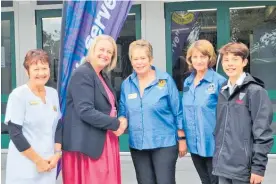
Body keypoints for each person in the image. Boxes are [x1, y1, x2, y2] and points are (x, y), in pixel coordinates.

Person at [62, 34, 127, 184]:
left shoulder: (101, 75)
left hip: (104, 139)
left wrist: (120, 119)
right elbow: (85, 111)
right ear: (92, 50)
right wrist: (116, 124)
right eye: (101, 49)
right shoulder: (83, 73)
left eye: (109, 52)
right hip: (89, 144)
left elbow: (109, 107)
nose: (105, 54)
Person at [119, 39, 187, 184]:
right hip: (138, 145)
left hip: (164, 143)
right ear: (131, 61)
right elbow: (123, 112)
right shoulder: (127, 84)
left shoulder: (165, 80)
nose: (139, 62)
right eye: (135, 58)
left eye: (143, 58)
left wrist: (182, 139)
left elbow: (178, 111)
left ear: (151, 59)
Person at [212, 42, 274, 184]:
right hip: (223, 166)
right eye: (226, 60)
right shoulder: (223, 90)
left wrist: (258, 168)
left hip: (244, 169)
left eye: (235, 59)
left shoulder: (255, 91)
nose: (230, 64)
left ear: (244, 62)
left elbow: (263, 133)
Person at [4, 49, 62, 184]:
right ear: (27, 71)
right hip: (25, 167)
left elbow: (58, 125)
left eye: (44, 68)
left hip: (48, 164)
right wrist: (38, 161)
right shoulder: (18, 95)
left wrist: (57, 154)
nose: (41, 73)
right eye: (36, 69)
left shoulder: (53, 94)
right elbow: (15, 134)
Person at [182, 40, 226, 184]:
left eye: (203, 56)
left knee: (216, 181)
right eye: (195, 57)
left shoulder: (219, 82)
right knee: (205, 180)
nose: (199, 60)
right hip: (195, 143)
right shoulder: (188, 82)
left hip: (214, 144)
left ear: (210, 58)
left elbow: (227, 115)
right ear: (190, 59)